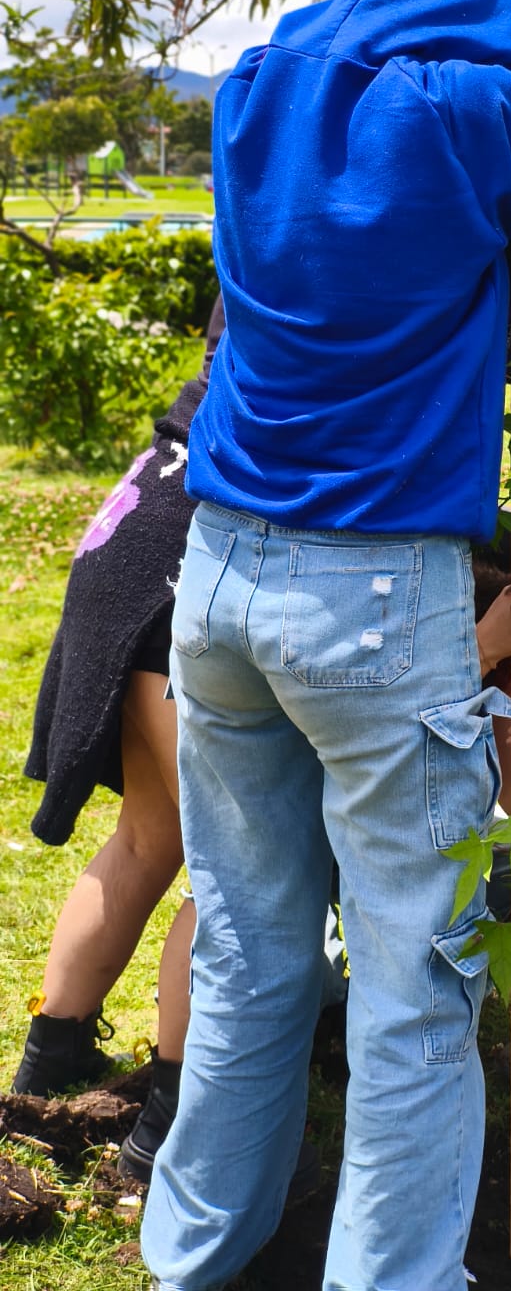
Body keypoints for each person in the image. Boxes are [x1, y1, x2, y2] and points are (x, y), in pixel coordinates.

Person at [139, 0, 511, 1291]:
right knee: (414, 988)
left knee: (247, 952)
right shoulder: (472, 110)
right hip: (371, 594)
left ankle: (192, 1260)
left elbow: (348, 16)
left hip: (221, 581)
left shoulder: (257, 93)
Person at [13, 305, 224, 1189]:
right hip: (181, 565)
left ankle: (50, 1058)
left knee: (151, 834)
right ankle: (165, 1120)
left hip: (133, 531)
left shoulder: (271, 250)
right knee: (233, 868)